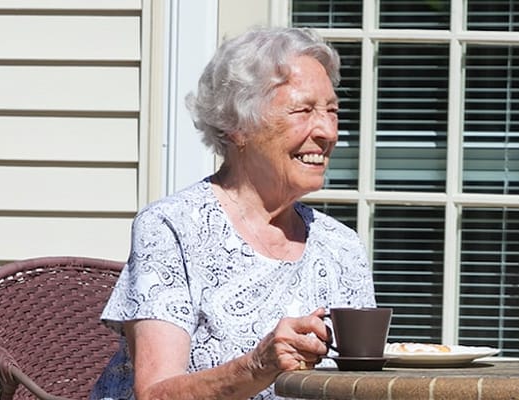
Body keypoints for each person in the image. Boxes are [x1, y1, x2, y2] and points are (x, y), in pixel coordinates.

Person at [90, 27, 376, 400]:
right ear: (238, 126)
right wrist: (259, 364)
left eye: (332, 111)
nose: (326, 131)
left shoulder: (341, 246)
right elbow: (156, 393)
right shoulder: (174, 227)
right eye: (303, 111)